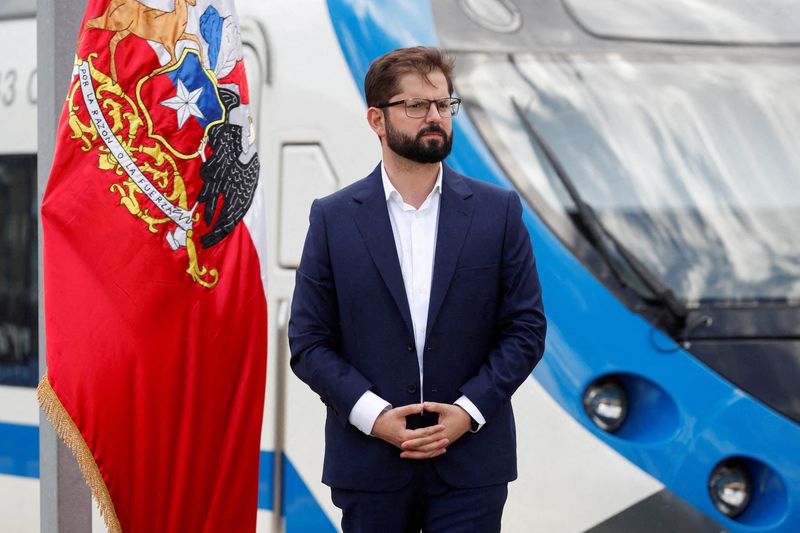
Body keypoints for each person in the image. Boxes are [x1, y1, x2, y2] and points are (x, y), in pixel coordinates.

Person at [288, 46, 547, 532]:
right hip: (370, 463)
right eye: (416, 106)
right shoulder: (333, 217)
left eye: (444, 105)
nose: (435, 117)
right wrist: (374, 416)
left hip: (470, 466)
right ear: (377, 120)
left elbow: (526, 329)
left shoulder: (498, 212)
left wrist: (468, 413)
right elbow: (308, 343)